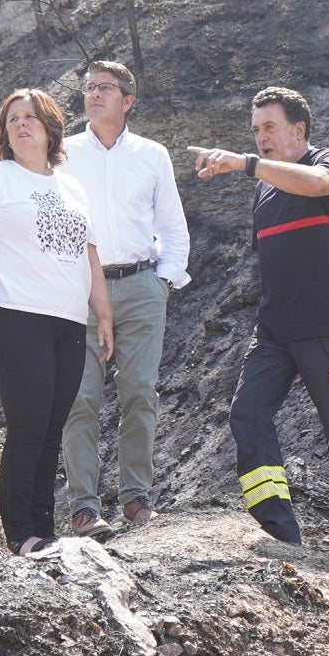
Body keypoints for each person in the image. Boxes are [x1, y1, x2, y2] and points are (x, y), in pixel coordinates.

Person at [188, 86, 329, 557]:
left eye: (269, 127)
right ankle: (281, 534)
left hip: (328, 327)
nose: (260, 137)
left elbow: (317, 184)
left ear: (299, 130)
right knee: (247, 414)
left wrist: (242, 162)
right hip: (275, 330)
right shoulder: (263, 189)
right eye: (255, 130)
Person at [0, 89, 114, 554]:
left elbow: (90, 256)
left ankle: (45, 528)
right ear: (5, 132)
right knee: (29, 421)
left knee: (53, 423)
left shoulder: (72, 186)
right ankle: (22, 533)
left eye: (31, 118)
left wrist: (103, 314)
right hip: (13, 314)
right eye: (13, 119)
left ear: (50, 127)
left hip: (68, 321)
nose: (22, 125)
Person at [58, 60, 190, 538]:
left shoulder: (152, 155)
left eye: (105, 88)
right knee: (80, 399)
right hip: (79, 291)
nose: (93, 95)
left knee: (139, 392)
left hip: (140, 286)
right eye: (89, 88)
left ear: (128, 100)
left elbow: (173, 227)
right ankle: (84, 509)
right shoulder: (63, 154)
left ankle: (136, 497)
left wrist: (164, 282)